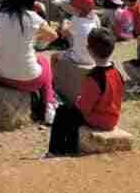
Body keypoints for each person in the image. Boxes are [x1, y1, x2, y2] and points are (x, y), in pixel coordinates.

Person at [0, 0, 60, 125]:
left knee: (33, 60)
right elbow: (53, 36)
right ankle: (49, 104)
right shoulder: (33, 17)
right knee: (43, 61)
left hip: (1, 77)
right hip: (29, 80)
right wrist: (36, 41)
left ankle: (46, 104)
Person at [46, 28, 124, 156]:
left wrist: (77, 101)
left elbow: (84, 109)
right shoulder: (117, 73)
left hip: (99, 119)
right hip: (112, 118)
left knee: (63, 112)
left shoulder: (93, 77)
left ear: (89, 50)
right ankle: (70, 148)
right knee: (71, 114)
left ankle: (55, 150)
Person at [54, 0, 100, 67]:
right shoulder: (95, 17)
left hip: (80, 59)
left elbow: (64, 33)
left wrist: (65, 22)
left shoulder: (77, 19)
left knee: (54, 56)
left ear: (77, 9)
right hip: (94, 57)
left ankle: (55, 78)